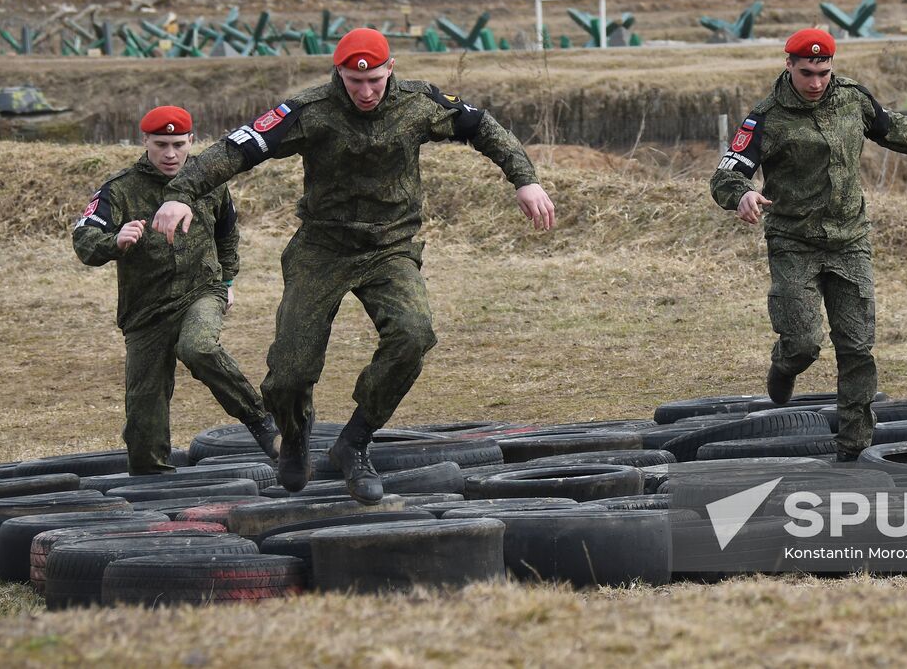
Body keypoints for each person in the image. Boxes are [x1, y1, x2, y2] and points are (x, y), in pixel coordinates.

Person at [149, 28, 555, 504]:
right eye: (353, 81)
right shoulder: (309, 111)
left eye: (375, 81)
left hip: (390, 248)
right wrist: (181, 195)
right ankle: (295, 437)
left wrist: (524, 181)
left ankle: (355, 442)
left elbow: (483, 127)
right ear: (337, 74)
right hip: (322, 249)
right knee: (290, 373)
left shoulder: (419, 103)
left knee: (413, 334)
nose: (364, 92)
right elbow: (236, 149)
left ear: (391, 70)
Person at [709, 29, 907, 461]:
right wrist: (741, 193)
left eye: (823, 72)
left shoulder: (852, 98)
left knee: (856, 346)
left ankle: (854, 446)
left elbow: (894, 129)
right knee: (804, 344)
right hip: (794, 242)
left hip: (849, 240)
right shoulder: (765, 117)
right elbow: (726, 172)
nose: (816, 82)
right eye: (806, 73)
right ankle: (783, 366)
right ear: (788, 66)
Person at [73, 105, 279, 475]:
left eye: (179, 144)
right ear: (145, 142)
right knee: (143, 420)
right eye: (161, 145)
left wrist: (227, 281)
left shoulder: (209, 180)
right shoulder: (119, 189)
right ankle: (152, 487)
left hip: (201, 293)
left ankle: (262, 421)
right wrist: (114, 241)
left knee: (197, 347)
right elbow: (84, 239)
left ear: (191, 141)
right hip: (146, 312)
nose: (171, 154)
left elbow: (227, 234)